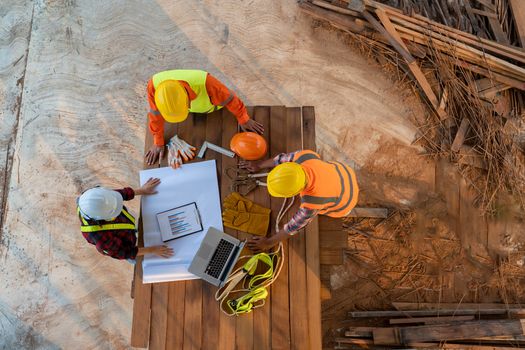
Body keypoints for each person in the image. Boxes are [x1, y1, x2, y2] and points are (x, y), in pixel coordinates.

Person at [240, 150, 359, 252]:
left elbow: (294, 227)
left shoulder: (312, 203)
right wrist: (259, 165)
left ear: (294, 193)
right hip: (345, 173)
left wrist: (269, 243)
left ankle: (343, 209)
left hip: (347, 201)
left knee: (339, 210)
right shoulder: (304, 156)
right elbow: (281, 159)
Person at [144, 69, 264, 165]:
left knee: (224, 97)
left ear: (187, 100)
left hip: (212, 109)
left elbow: (230, 99)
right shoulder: (153, 87)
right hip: (197, 108)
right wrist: (158, 141)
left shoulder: (207, 83)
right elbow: (155, 115)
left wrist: (243, 118)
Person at [77, 178, 173, 261]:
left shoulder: (94, 198)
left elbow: (117, 195)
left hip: (126, 229)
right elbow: (126, 252)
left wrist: (141, 190)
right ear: (100, 218)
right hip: (126, 245)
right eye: (112, 212)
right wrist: (152, 250)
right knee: (138, 260)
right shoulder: (102, 240)